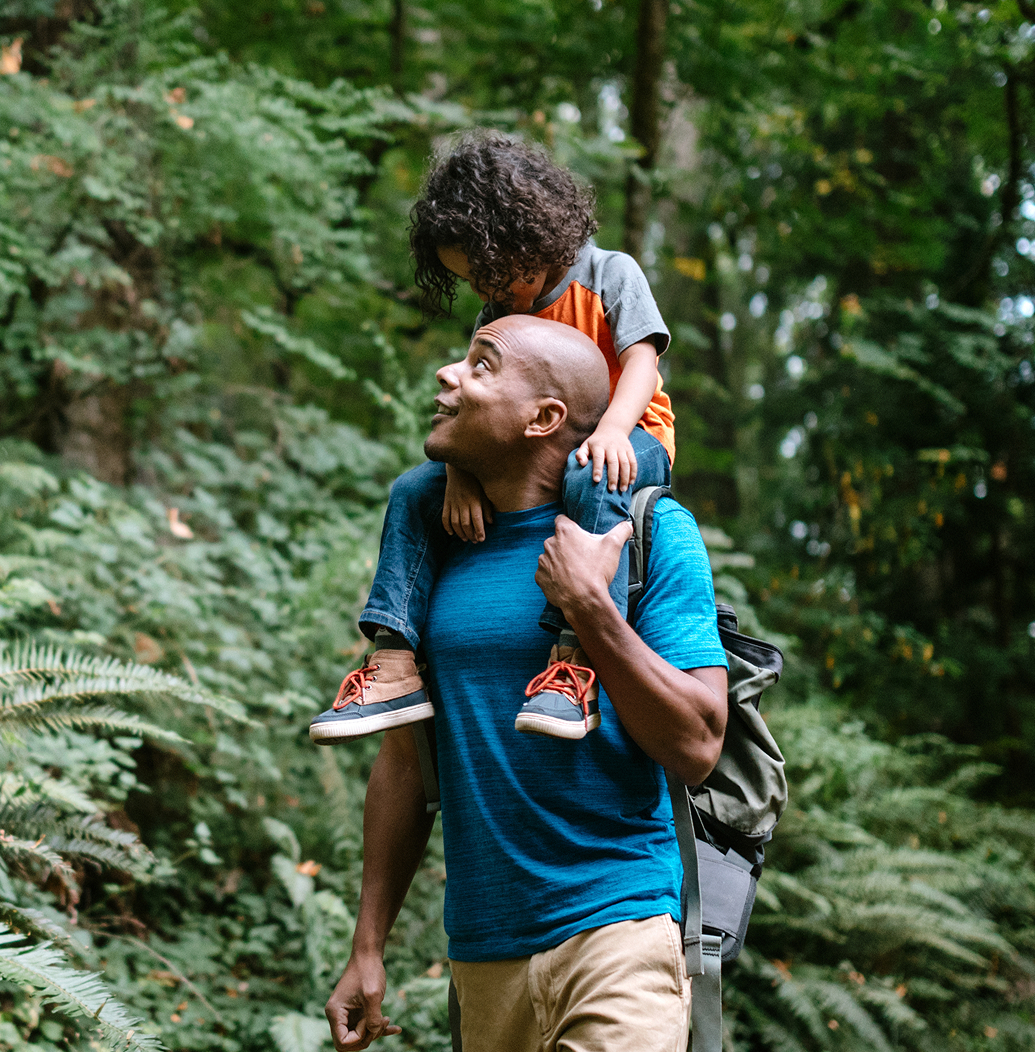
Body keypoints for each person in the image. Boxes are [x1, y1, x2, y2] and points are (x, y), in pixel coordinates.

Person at [323, 315, 728, 1052]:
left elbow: (698, 743)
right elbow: (409, 764)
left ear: (542, 419)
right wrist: (368, 944)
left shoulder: (648, 533)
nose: (446, 374)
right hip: (482, 960)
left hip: (618, 932)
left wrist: (590, 607)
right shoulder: (435, 551)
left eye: (481, 366)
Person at [309, 130, 678, 745]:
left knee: (592, 474)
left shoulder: (609, 273)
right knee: (411, 491)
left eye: (491, 274)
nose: (487, 294)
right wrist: (458, 474)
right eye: (473, 284)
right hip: (528, 447)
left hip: (628, 433)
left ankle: (572, 658)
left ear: (527, 234)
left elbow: (643, 361)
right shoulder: (498, 316)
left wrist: (615, 428)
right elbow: (470, 412)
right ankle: (393, 662)